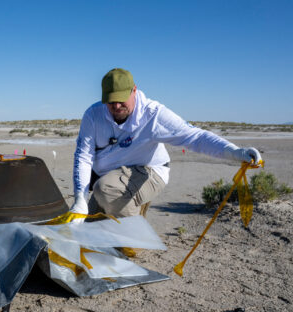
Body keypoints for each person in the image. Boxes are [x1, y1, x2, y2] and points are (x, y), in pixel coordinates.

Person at [71, 68, 262, 219]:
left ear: (134, 90)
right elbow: (84, 155)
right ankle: (127, 208)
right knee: (91, 225)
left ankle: (133, 240)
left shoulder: (153, 115)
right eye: (111, 101)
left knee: (105, 191)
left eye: (121, 100)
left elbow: (195, 137)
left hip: (149, 170)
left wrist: (234, 152)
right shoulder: (93, 115)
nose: (116, 106)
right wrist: (80, 198)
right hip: (112, 175)